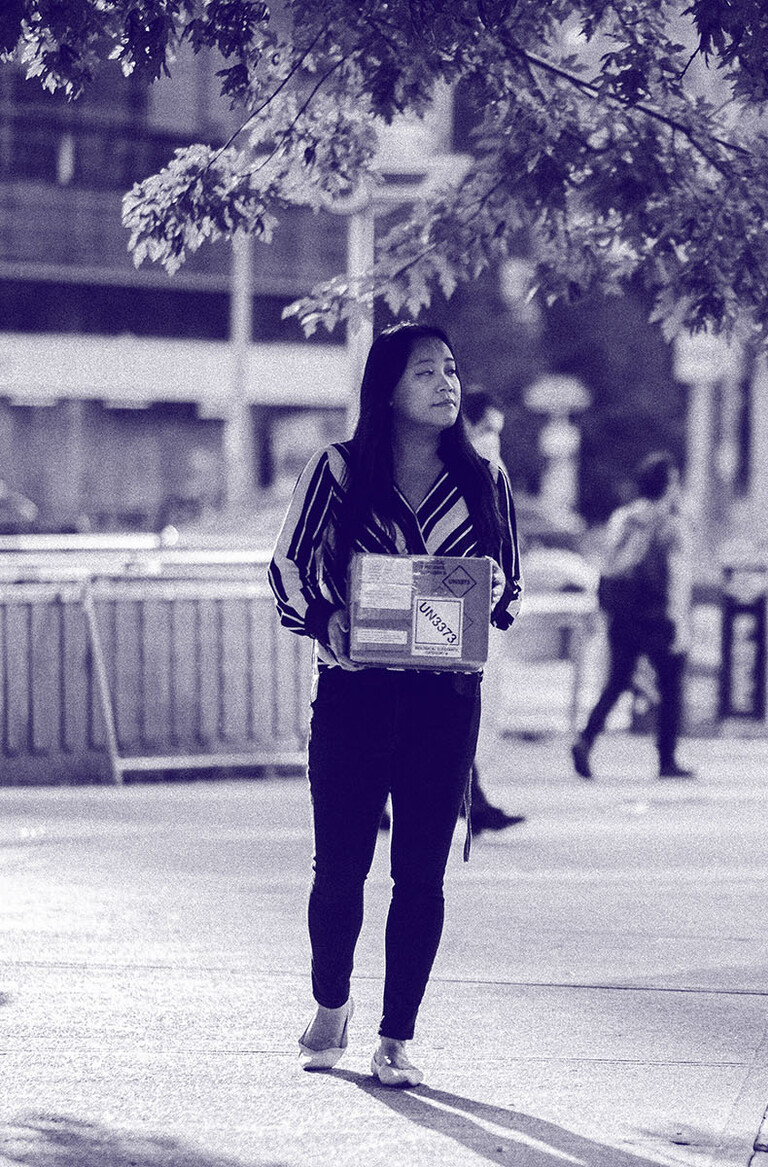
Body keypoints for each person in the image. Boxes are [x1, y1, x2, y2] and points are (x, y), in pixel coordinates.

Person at [270, 323, 523, 1084]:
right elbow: (286, 565)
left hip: (444, 703)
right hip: (354, 695)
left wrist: (476, 603)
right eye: (426, 372)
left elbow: (510, 582)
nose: (447, 383)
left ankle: (396, 1037)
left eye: (451, 368)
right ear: (387, 388)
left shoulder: (485, 477)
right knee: (339, 867)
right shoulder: (338, 469)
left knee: (421, 873)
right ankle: (331, 1001)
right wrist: (326, 616)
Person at [571, 451, 695, 780]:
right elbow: (679, 578)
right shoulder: (672, 525)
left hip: (624, 613)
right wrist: (680, 623)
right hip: (658, 615)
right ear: (668, 485)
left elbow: (608, 564)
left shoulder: (623, 518)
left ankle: (585, 739)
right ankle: (667, 760)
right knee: (670, 688)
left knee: (617, 682)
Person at [459, 394, 526, 834]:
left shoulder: (489, 475)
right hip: (455, 605)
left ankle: (474, 800)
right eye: (487, 429)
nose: (493, 440)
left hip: (470, 606)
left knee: (455, 711)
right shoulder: (465, 471)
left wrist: (503, 604)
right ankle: (473, 802)